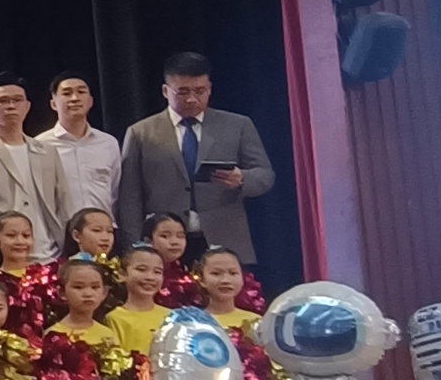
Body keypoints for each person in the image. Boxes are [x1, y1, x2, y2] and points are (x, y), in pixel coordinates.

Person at [111, 52, 277, 275]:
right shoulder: (141, 132)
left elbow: (265, 175)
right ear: (165, 91)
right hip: (162, 244)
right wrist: (134, 247)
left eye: (200, 91)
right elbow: (129, 196)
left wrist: (243, 179)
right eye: (182, 92)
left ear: (210, 88)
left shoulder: (237, 125)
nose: (191, 99)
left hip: (224, 238)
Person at [0, 73, 68, 260]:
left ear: (27, 106)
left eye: (17, 100)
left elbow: (62, 200)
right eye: (3, 101)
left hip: (50, 253)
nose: (11, 106)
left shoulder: (47, 151)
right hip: (2, 255)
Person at [33, 73, 122, 220]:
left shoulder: (108, 143)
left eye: (81, 92)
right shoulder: (40, 145)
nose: (75, 98)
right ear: (53, 104)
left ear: (91, 101)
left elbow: (115, 192)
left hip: (102, 229)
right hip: (59, 231)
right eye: (67, 93)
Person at [107, 245, 174, 355]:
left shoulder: (171, 316)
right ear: (122, 274)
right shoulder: (115, 318)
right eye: (141, 270)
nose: (150, 277)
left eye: (157, 272)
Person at [50, 257, 119, 348]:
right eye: (78, 287)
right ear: (62, 292)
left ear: (104, 292)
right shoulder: (54, 336)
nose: (88, 294)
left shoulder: (108, 335)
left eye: (94, 287)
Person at [197, 246, 261, 334]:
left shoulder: (256, 322)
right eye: (216, 273)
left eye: (233, 273)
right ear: (201, 279)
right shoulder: (193, 323)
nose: (225, 280)